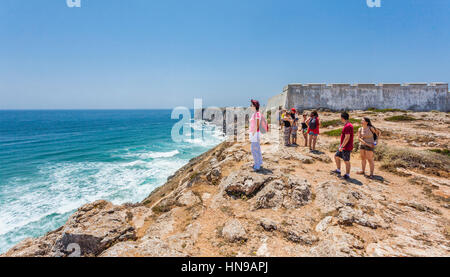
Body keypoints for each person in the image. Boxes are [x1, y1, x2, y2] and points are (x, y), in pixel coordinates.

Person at [332, 112, 354, 180]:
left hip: (346, 147)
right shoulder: (348, 125)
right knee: (336, 156)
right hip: (343, 146)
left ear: (342, 118)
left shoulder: (348, 126)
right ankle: (338, 170)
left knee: (346, 161)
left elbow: (347, 137)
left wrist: (342, 146)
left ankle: (347, 175)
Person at [250, 99, 266, 172]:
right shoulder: (255, 113)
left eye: (251, 105)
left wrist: (253, 133)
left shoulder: (257, 114)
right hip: (255, 133)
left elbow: (257, 124)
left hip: (255, 133)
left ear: (254, 106)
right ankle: (259, 162)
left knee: (254, 150)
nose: (250, 106)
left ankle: (257, 166)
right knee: (257, 148)